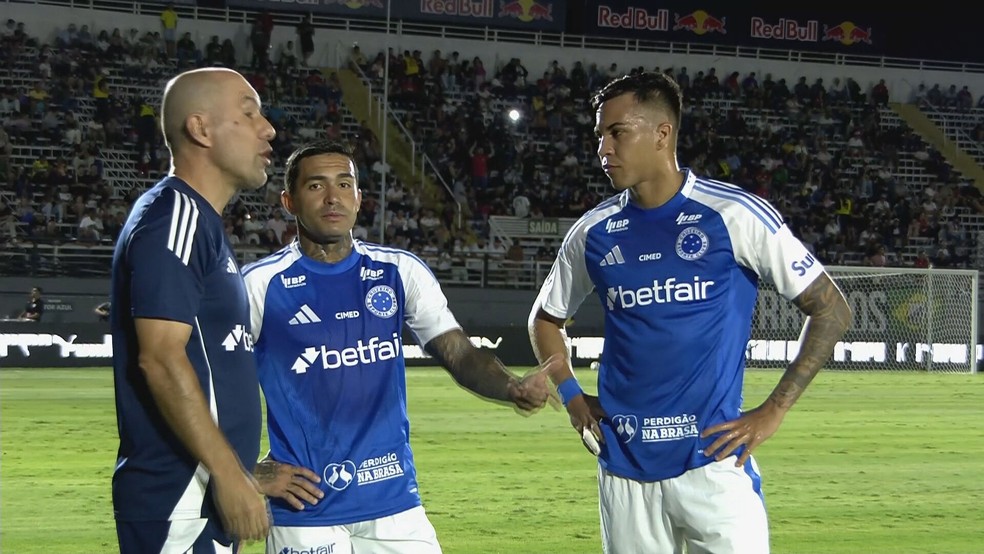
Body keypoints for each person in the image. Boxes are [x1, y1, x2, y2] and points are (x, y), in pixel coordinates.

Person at [528, 72, 852, 554]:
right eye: (599, 136)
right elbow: (545, 319)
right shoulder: (594, 233)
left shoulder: (733, 214)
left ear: (662, 134)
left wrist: (772, 412)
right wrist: (574, 398)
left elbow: (831, 309)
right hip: (624, 469)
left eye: (616, 133)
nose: (603, 150)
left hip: (716, 465)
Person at [242, 140, 559, 554]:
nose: (333, 197)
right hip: (304, 508)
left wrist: (512, 386)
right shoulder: (259, 284)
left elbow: (459, 354)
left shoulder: (399, 271)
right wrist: (243, 471)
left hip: (393, 504)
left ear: (359, 199)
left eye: (344, 184)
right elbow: (208, 381)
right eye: (316, 186)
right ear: (289, 200)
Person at [110, 67, 279, 553]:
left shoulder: (199, 222)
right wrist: (227, 475)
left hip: (201, 497)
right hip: (180, 498)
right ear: (200, 129)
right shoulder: (175, 217)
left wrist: (242, 473)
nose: (267, 129)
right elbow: (161, 358)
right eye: (249, 115)